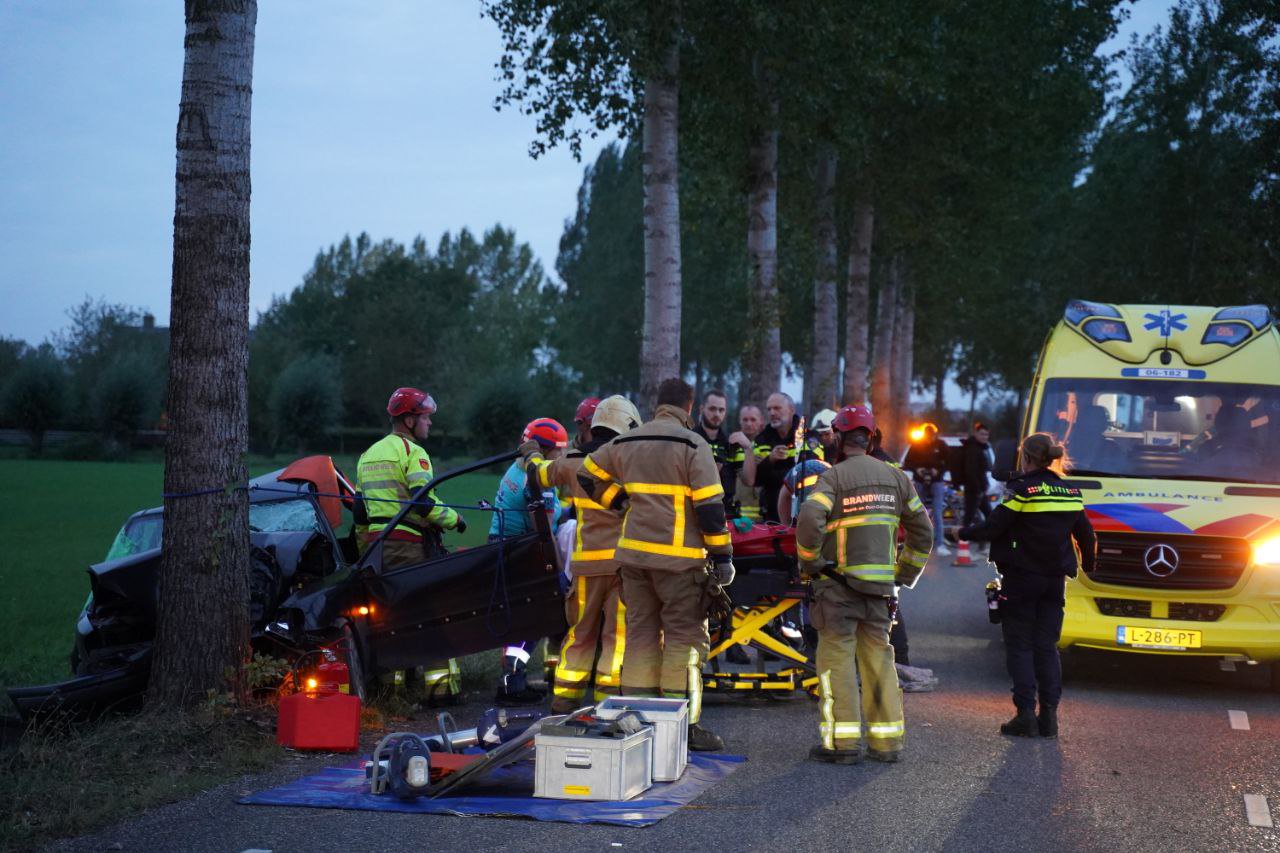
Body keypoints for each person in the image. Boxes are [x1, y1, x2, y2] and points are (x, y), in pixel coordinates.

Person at [577, 378, 735, 752]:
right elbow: (710, 510)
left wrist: (620, 502)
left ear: (657, 405)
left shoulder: (627, 442)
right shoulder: (693, 445)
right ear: (690, 408)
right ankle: (684, 728)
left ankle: (640, 723)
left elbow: (586, 473)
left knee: (641, 637)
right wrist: (723, 557)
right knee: (684, 640)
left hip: (634, 560)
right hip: (680, 564)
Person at [794, 405, 934, 764]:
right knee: (879, 661)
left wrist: (809, 562)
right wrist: (904, 574)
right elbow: (923, 531)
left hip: (837, 588)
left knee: (836, 661)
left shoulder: (833, 478)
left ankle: (842, 745)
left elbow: (809, 516)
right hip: (881, 591)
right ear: (871, 439)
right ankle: (886, 744)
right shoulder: (896, 477)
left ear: (839, 438)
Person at [959, 433, 1096, 739]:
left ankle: (1025, 716)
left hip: (1022, 578)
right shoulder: (1070, 491)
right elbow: (1086, 534)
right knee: (1046, 646)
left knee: (1020, 645)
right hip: (1054, 581)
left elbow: (994, 527)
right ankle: (1049, 717)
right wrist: (1089, 565)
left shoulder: (1022, 490)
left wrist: (962, 533)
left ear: (1028, 458)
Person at [525, 395, 643, 713]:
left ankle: (565, 699)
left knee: (580, 634)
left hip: (586, 567)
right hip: (621, 566)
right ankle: (608, 702)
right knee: (616, 637)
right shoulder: (628, 461)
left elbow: (538, 475)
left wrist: (531, 453)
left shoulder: (574, 461)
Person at [357, 387, 465, 703]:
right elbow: (423, 503)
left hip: (377, 549)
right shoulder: (412, 452)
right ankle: (441, 689)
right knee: (431, 614)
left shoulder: (368, 455)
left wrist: (366, 550)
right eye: (426, 418)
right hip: (409, 547)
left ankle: (391, 692)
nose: (429, 423)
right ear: (409, 420)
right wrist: (456, 519)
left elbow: (360, 512)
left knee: (390, 618)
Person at [489, 418, 570, 705]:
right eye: (559, 450)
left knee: (524, 617)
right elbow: (544, 530)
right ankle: (512, 682)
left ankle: (513, 679)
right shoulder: (538, 479)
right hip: (521, 552)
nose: (562, 455)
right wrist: (558, 572)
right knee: (536, 614)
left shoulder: (519, 467)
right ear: (545, 450)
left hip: (505, 547)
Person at [693, 389, 757, 516]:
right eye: (712, 409)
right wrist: (712, 471)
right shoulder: (691, 439)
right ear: (701, 409)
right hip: (695, 511)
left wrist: (748, 448)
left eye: (721, 410)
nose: (717, 414)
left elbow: (749, 481)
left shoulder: (730, 443)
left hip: (725, 512)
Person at [755, 392, 815, 523]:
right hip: (771, 515)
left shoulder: (809, 437)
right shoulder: (761, 440)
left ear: (791, 410)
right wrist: (770, 459)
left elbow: (812, 473)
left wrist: (773, 475)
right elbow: (757, 480)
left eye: (777, 408)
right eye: (769, 409)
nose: (772, 413)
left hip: (803, 514)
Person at [902, 422, 951, 556]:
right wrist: (918, 469)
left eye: (931, 435)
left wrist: (938, 470)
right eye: (927, 435)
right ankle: (917, 544)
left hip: (937, 481)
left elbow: (949, 461)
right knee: (918, 512)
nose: (929, 438)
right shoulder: (916, 445)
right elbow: (908, 462)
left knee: (937, 513)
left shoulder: (941, 445)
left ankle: (940, 544)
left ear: (934, 434)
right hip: (919, 480)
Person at [734, 404, 765, 521]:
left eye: (753, 419)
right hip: (737, 518)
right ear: (739, 421)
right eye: (745, 420)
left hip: (765, 519)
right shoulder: (732, 447)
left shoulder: (767, 447)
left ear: (761, 421)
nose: (748, 423)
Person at [960, 422, 993, 529]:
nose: (984, 437)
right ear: (975, 434)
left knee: (989, 515)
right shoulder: (973, 449)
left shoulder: (981, 448)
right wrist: (978, 488)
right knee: (969, 517)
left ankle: (986, 537)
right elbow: (971, 471)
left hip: (979, 490)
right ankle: (963, 537)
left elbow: (980, 471)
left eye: (986, 435)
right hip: (974, 490)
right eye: (982, 434)